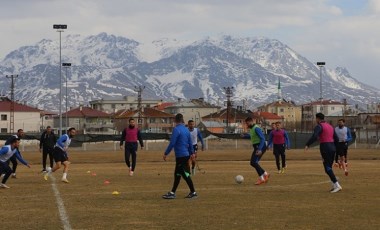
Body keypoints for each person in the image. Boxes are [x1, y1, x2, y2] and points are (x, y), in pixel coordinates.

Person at [162, 113, 197, 199]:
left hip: (181, 156)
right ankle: (172, 192)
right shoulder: (186, 130)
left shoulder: (176, 129)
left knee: (185, 174)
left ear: (175, 120)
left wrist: (166, 153)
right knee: (177, 174)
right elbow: (190, 143)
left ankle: (193, 192)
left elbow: (172, 143)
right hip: (185, 155)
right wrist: (192, 153)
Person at [305, 113, 342, 193]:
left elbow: (314, 136)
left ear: (318, 119)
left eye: (316, 119)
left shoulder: (319, 126)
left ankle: (337, 185)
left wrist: (307, 144)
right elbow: (336, 138)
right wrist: (336, 148)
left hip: (325, 147)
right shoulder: (330, 126)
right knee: (328, 167)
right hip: (332, 147)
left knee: (327, 168)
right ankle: (334, 185)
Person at [242, 117, 270, 185]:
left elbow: (263, 138)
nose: (247, 124)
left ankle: (262, 178)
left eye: (247, 123)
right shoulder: (252, 129)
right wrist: (244, 136)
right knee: (254, 163)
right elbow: (252, 136)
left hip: (260, 146)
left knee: (253, 162)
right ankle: (265, 174)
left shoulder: (256, 128)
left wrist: (259, 149)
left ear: (251, 121)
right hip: (257, 147)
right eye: (246, 123)